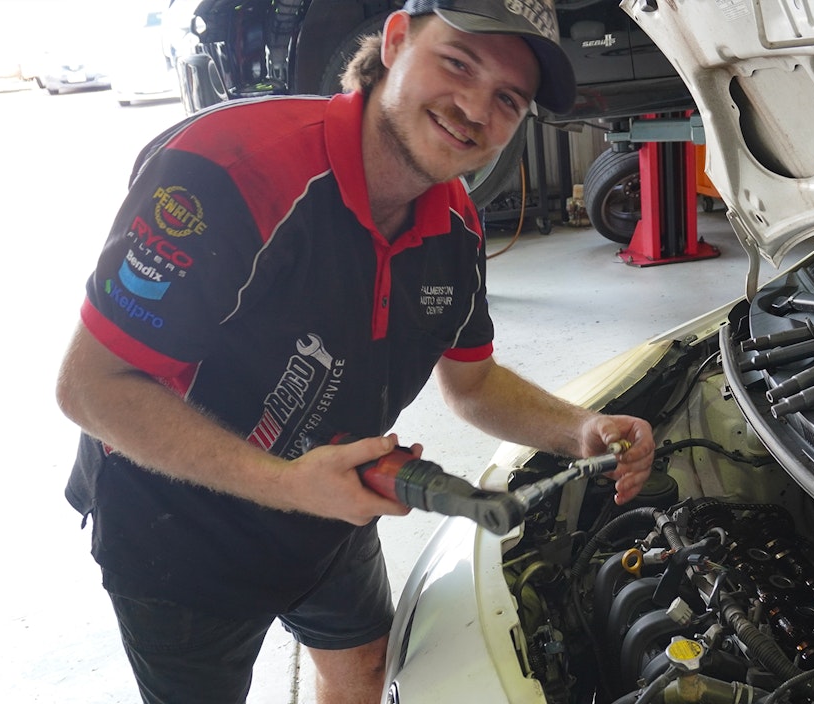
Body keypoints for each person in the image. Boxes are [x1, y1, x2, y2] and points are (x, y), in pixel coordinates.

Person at [54, 1, 656, 701]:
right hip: (180, 537)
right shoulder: (229, 169)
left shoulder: (455, 223)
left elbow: (473, 385)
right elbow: (90, 386)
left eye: (507, 100)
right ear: (395, 41)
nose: (473, 108)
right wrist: (285, 484)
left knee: (367, 666)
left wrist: (579, 428)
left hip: (332, 511)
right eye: (457, 63)